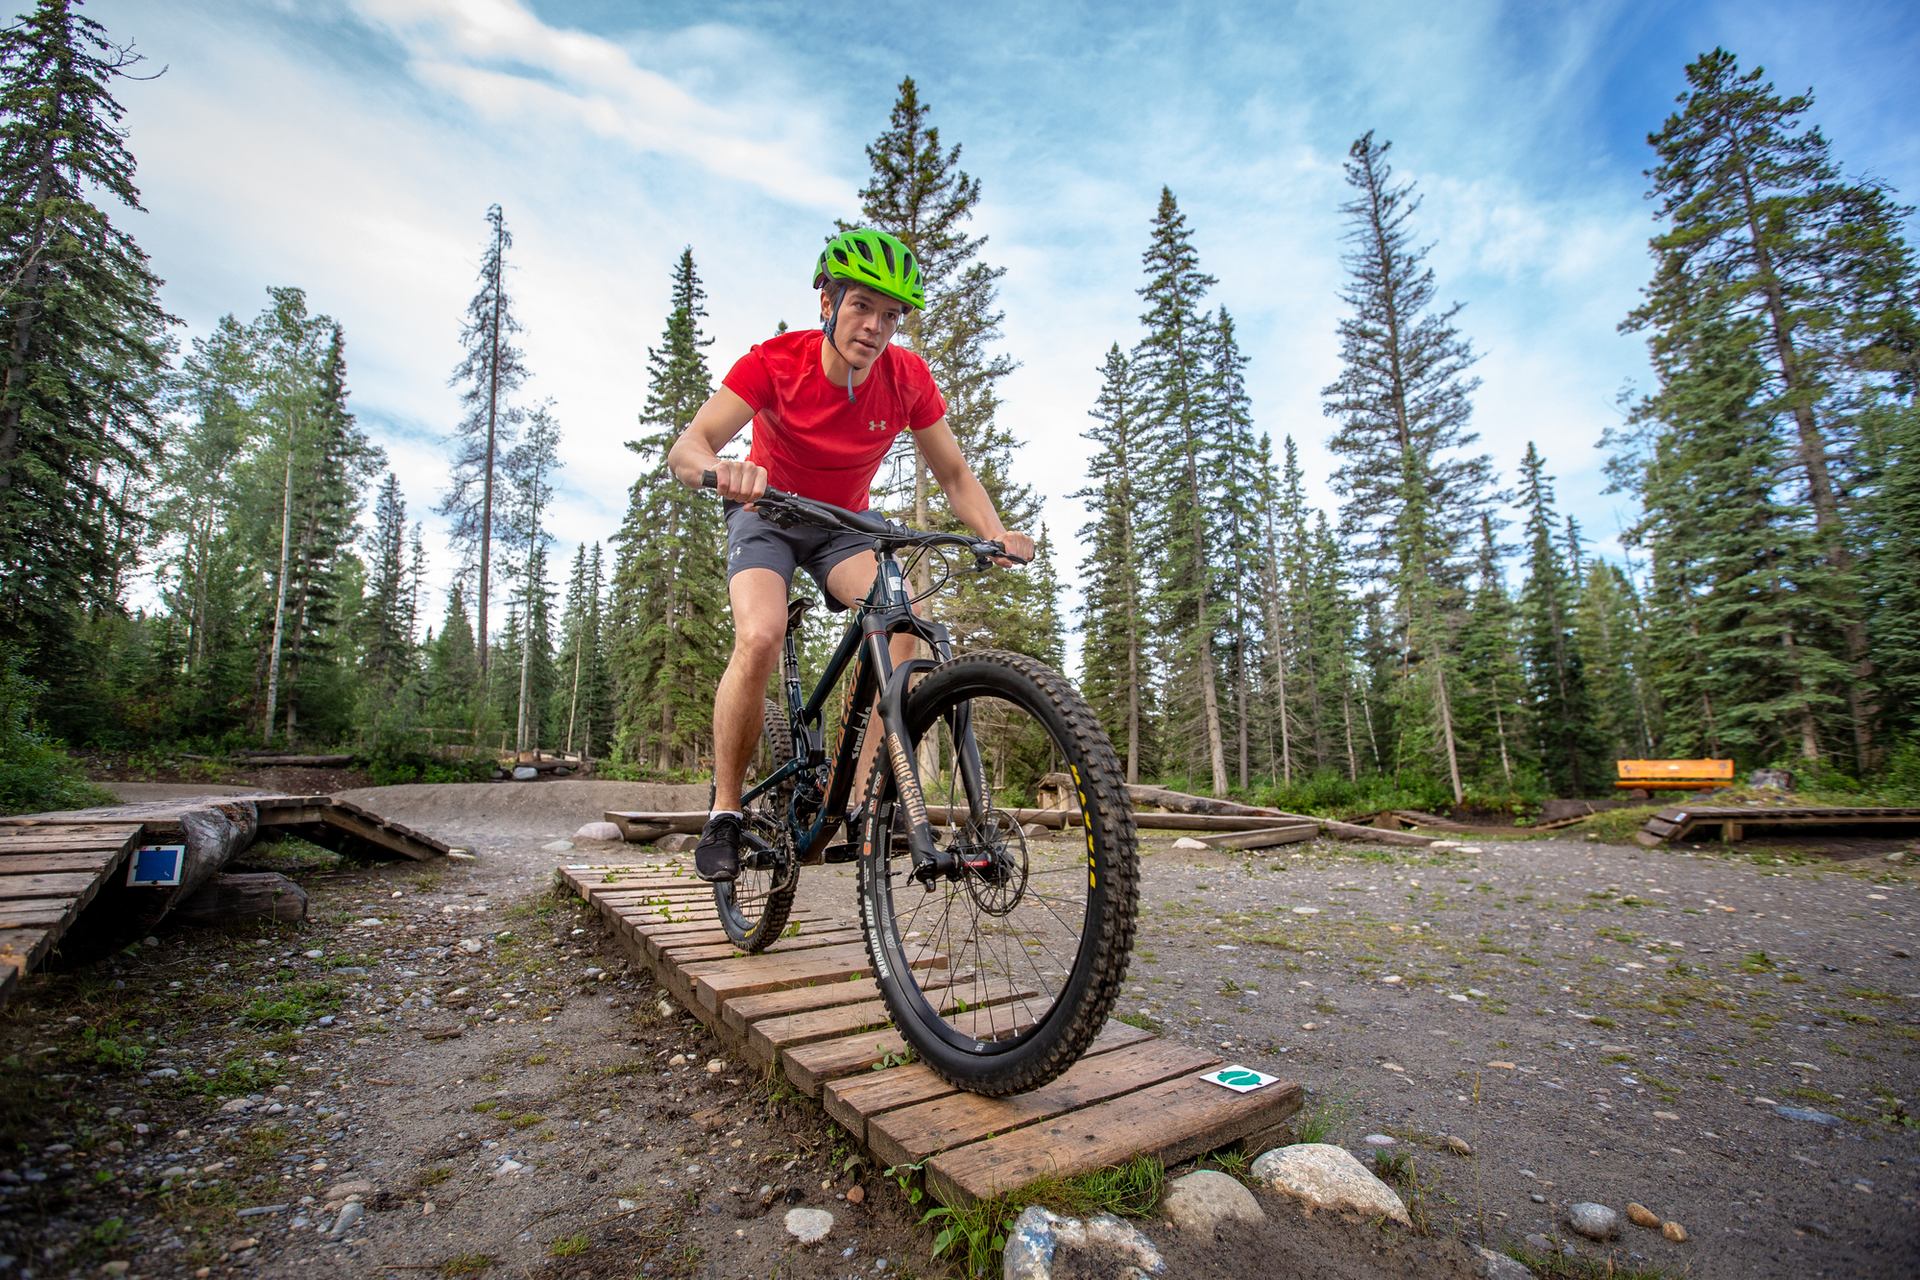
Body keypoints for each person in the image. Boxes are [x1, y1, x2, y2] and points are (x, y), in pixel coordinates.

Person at [667, 228, 1035, 882]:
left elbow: (953, 474)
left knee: (902, 621)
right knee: (759, 635)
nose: (875, 326)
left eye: (890, 315)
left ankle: (870, 799)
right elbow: (688, 446)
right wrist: (723, 467)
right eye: (862, 305)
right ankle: (724, 811)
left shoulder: (906, 378)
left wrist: (996, 532)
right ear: (827, 302)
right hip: (768, 512)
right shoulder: (774, 363)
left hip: (842, 527)